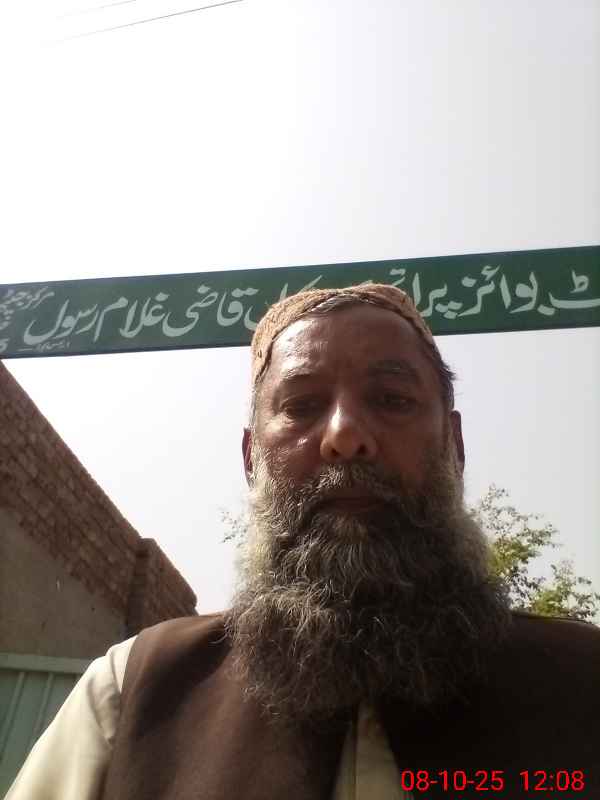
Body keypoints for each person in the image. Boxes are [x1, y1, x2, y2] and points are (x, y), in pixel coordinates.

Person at [7, 283, 600, 800]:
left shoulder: (583, 683)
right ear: (251, 459)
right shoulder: (130, 690)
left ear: (455, 445)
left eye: (392, 400)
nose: (345, 435)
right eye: (302, 406)